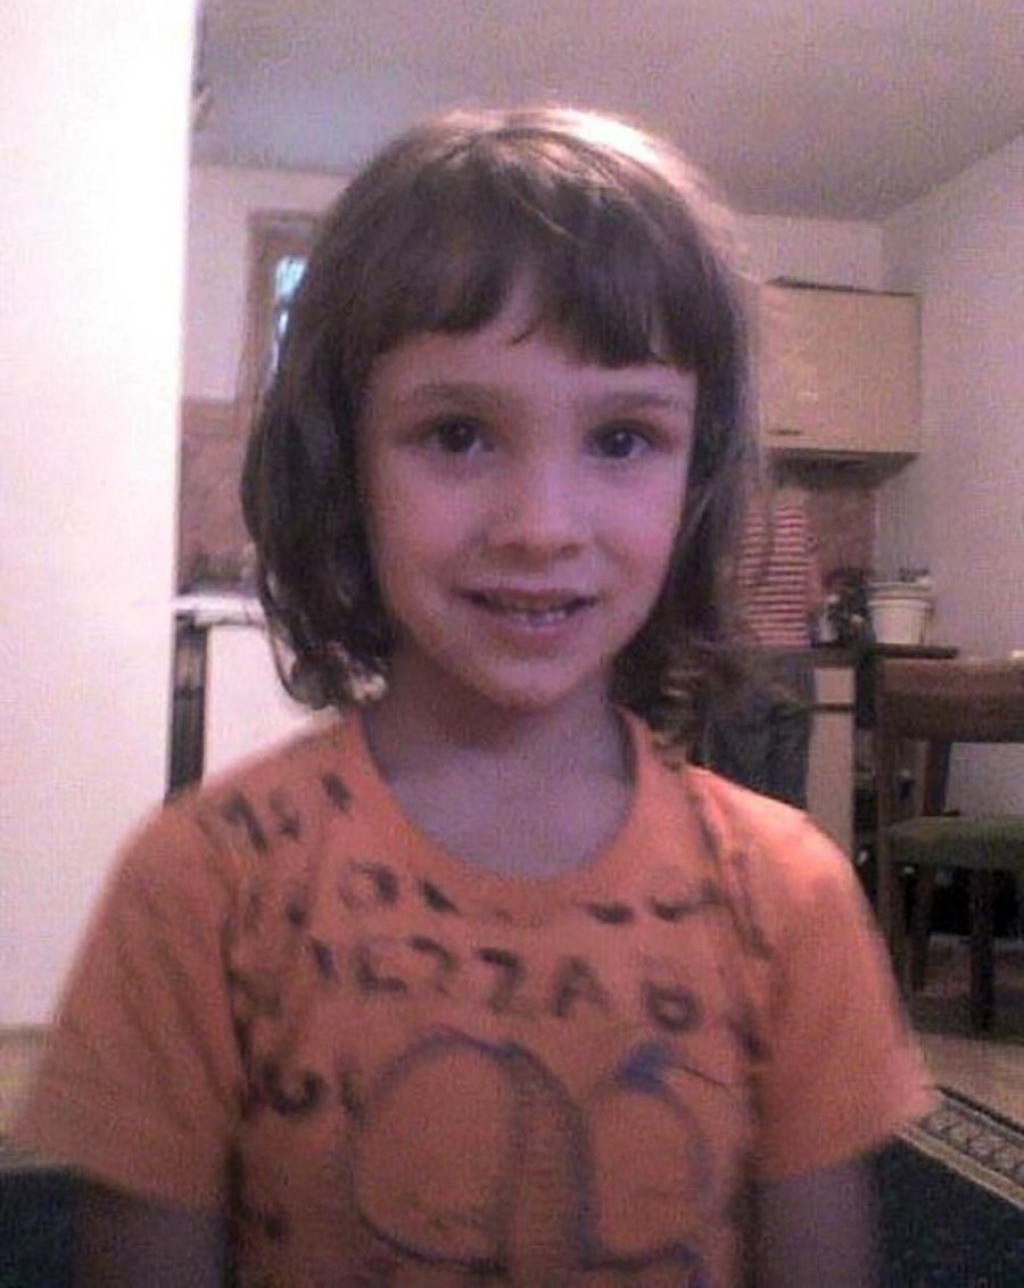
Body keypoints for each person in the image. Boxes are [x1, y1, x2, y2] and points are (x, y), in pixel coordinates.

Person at [14, 106, 932, 1287]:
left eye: (622, 438)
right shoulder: (201, 886)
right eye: (456, 433)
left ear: (696, 481)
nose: (541, 526)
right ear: (342, 465)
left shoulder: (789, 897)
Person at [704, 474, 823, 808]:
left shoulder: (727, 527)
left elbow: (714, 598)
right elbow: (814, 599)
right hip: (796, 665)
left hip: (745, 664)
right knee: (790, 795)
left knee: (742, 792)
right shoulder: (796, 522)